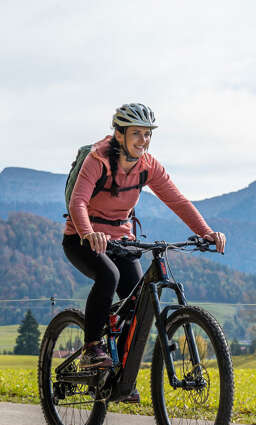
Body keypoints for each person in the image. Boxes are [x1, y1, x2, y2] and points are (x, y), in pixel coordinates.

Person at [63, 103, 225, 392]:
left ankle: (120, 378)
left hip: (122, 241)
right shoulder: (97, 159)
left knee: (137, 301)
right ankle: (91, 348)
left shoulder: (148, 165)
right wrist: (89, 233)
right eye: (136, 133)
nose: (144, 140)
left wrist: (206, 232)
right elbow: (78, 203)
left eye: (148, 134)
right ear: (119, 134)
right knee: (108, 276)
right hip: (82, 238)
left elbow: (177, 201)